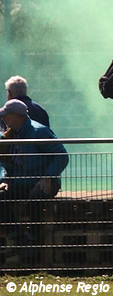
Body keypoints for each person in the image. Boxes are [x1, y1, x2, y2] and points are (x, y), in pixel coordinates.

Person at [0, 99, 68, 245]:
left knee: (35, 199)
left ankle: (34, 239)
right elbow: (5, 162)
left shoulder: (39, 131)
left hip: (44, 182)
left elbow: (61, 155)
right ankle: (17, 237)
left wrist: (48, 177)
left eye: (6, 115)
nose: (3, 118)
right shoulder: (9, 135)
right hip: (21, 182)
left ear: (17, 116)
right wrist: (4, 180)